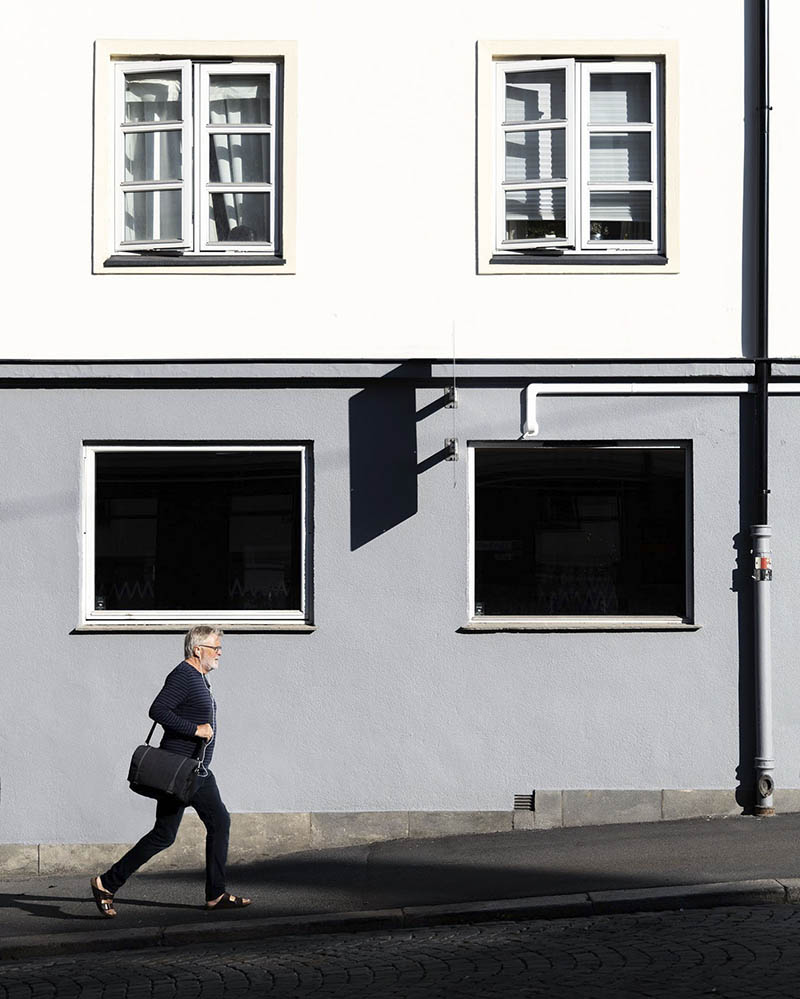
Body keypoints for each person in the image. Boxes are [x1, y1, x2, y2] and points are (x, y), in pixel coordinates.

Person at [90, 626, 251, 916]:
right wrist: (196, 729)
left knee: (169, 833)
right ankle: (109, 882)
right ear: (198, 649)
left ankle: (108, 883)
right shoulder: (183, 675)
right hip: (181, 771)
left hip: (195, 769)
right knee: (211, 824)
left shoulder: (199, 678)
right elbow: (158, 710)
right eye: (215, 647)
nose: (219, 653)